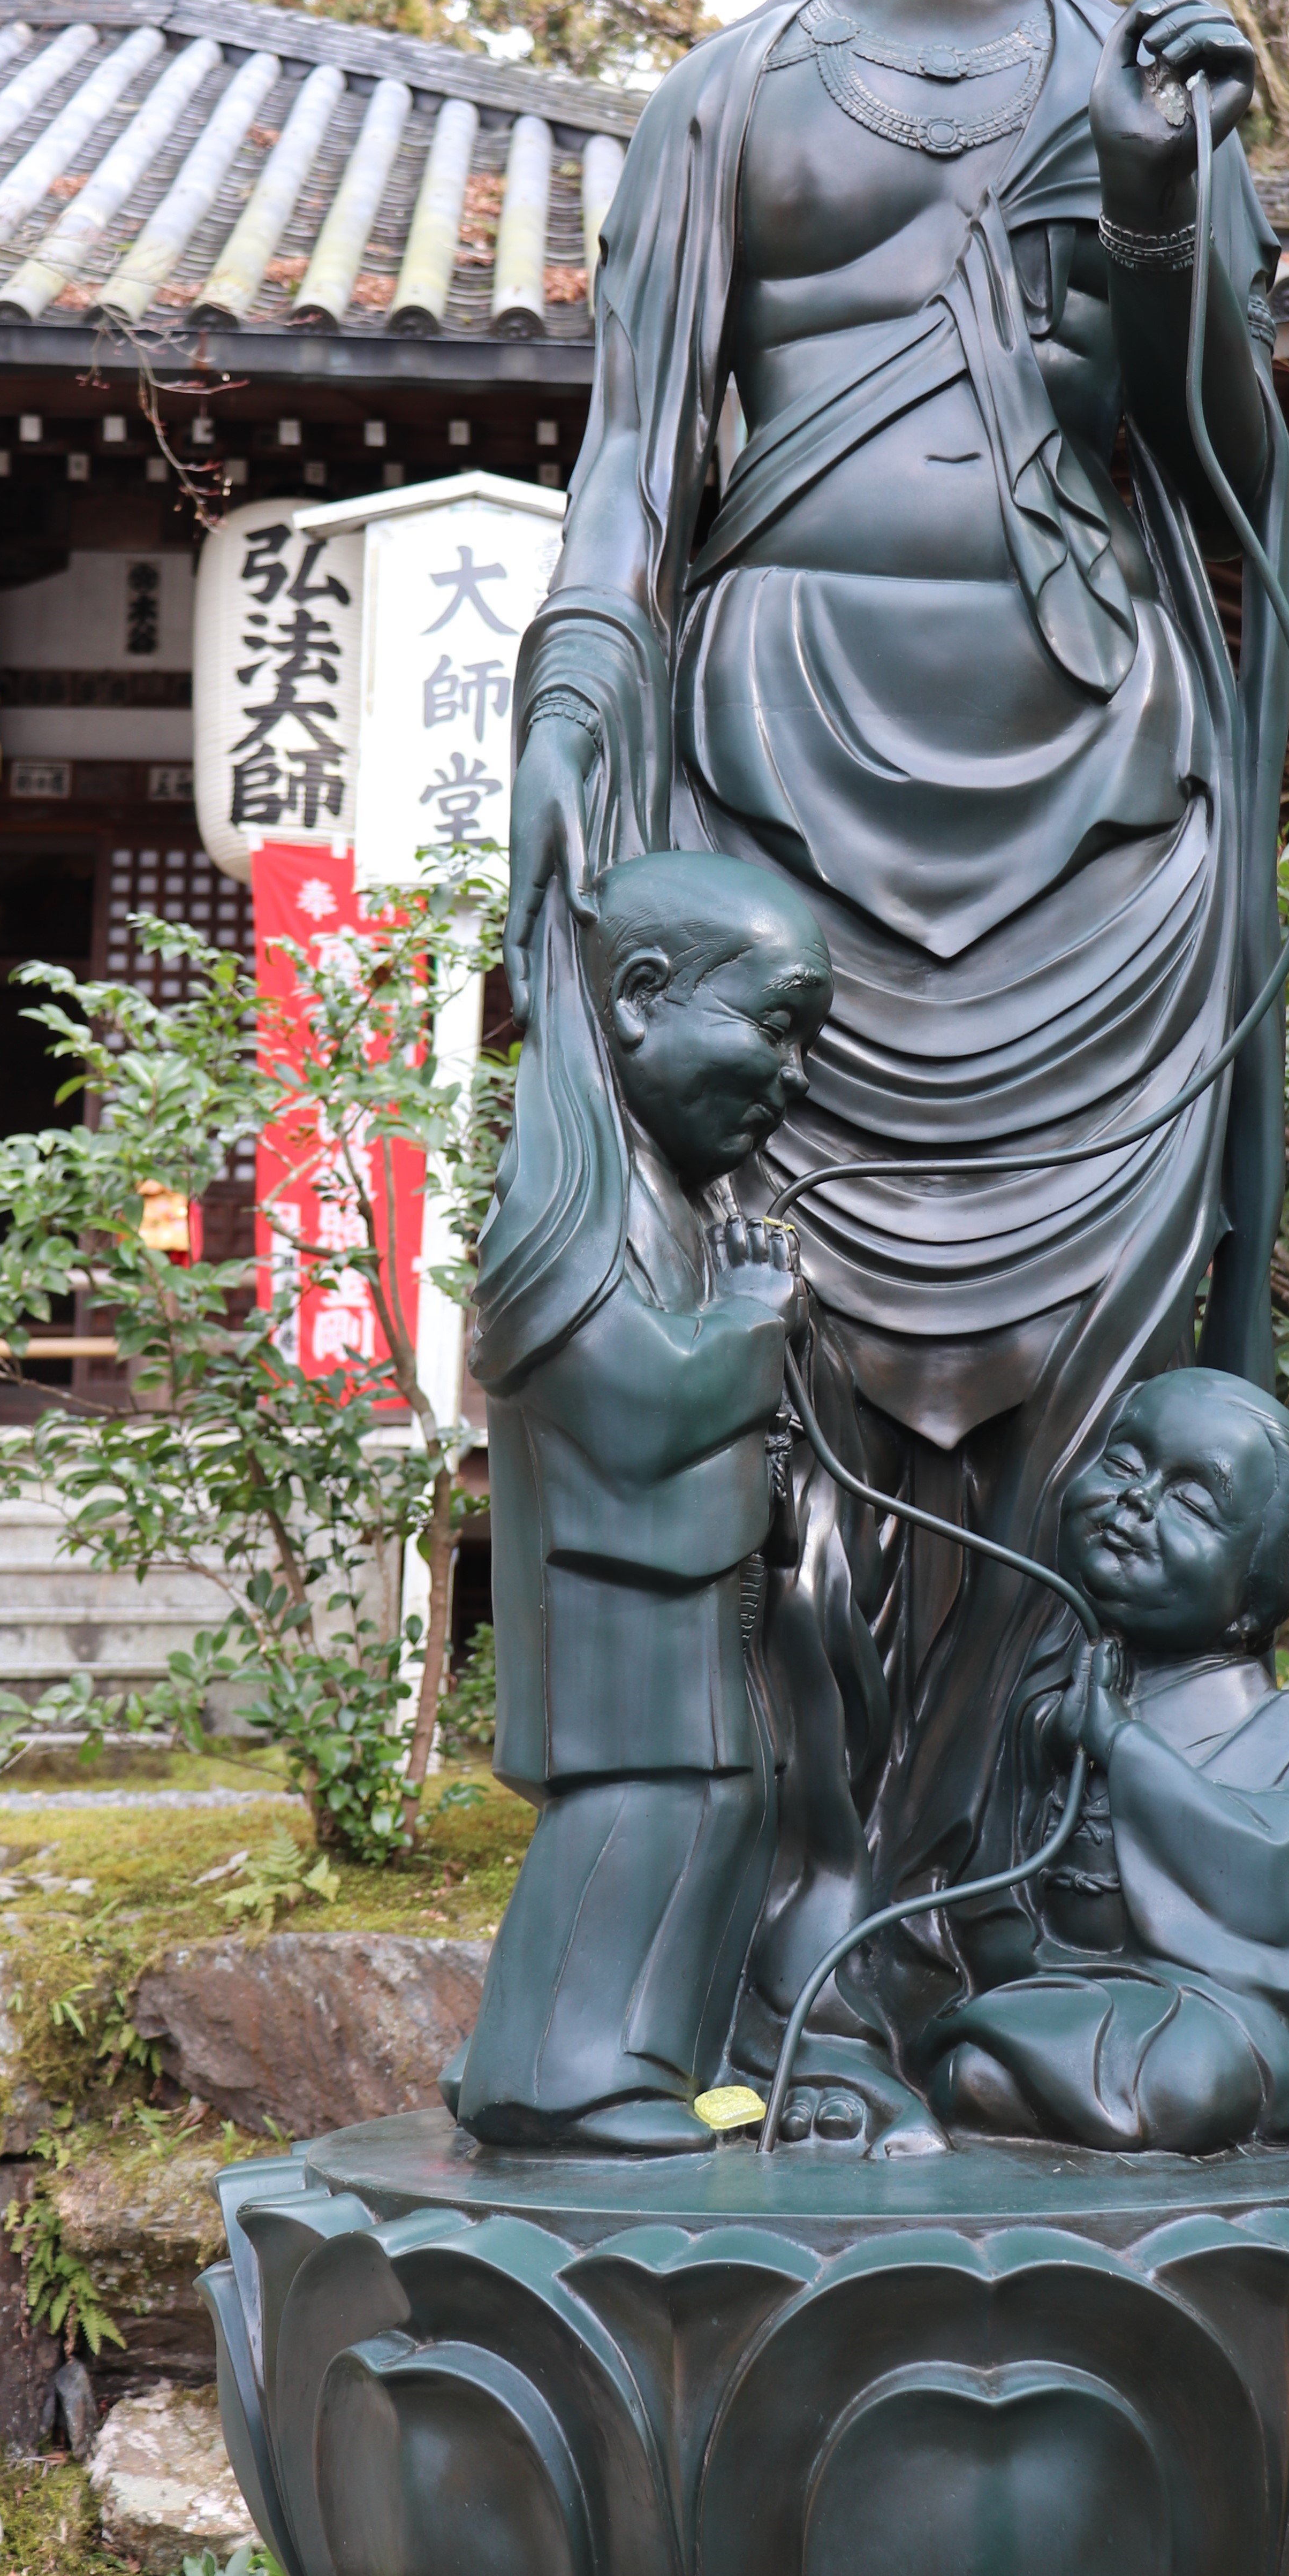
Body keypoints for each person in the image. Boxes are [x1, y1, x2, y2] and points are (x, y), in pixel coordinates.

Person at [497, 0, 1289, 1978]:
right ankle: (813, 1896)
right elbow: (637, 467)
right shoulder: (726, 95)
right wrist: (569, 704)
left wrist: (1166, 200)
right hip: (785, 839)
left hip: (1098, 826)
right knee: (800, 1377)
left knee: (1082, 1386)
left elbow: (1229, 465)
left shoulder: (1132, 61)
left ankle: (1025, 1898)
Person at [451, 851, 830, 2155]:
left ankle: (653, 2066)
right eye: (775, 1027)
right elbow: (645, 1407)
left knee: (725, 1807)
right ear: (641, 995)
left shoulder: (671, 1198)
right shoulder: (564, 1211)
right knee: (637, 1817)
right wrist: (747, 1315)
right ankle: (549, 2074)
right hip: (617, 1608)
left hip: (696, 1599)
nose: (794, 1077)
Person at [923, 1371, 1289, 2150]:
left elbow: (1282, 1898)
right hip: (1056, 1989)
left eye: (1191, 1501)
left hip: (1209, 2020)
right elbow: (978, 1887)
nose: (1137, 1501)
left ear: (1259, 1593)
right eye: (1123, 1463)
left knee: (1196, 2074)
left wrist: (1125, 1750)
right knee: (960, 2066)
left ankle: (1046, 2068)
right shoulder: (1045, 1707)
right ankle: (1025, 2058)